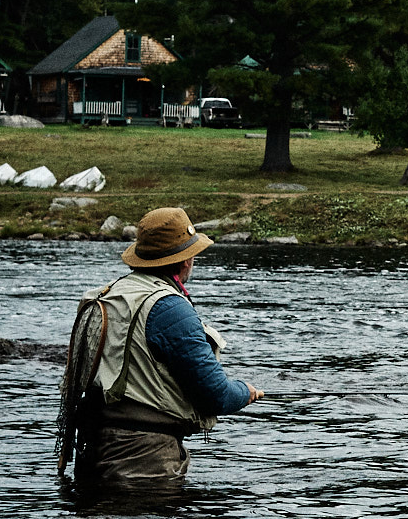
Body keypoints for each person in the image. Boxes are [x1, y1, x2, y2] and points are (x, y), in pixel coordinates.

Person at [56, 207, 263, 492]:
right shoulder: (170, 308)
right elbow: (215, 395)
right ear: (185, 259)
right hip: (143, 460)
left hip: (91, 449)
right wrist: (245, 392)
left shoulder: (108, 294)